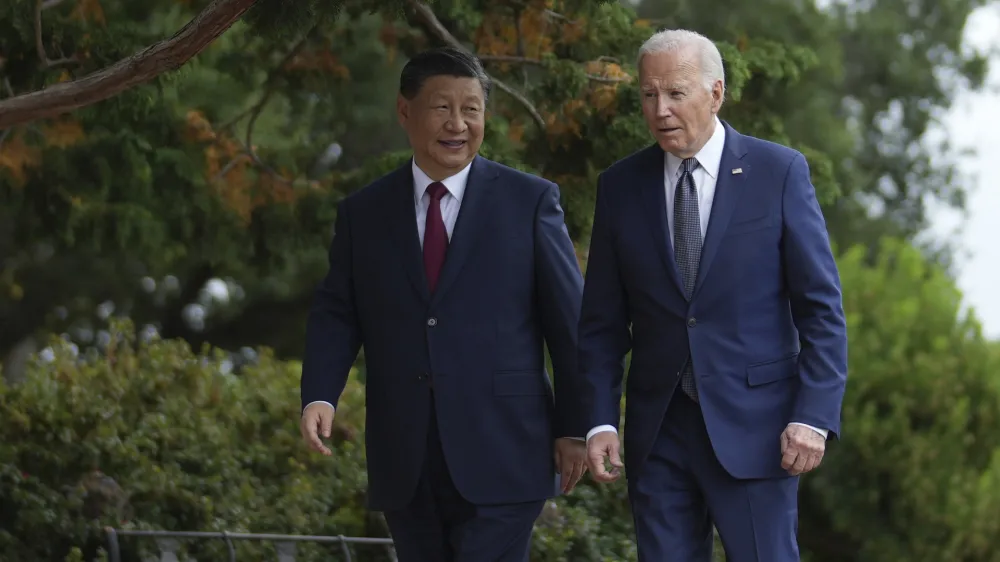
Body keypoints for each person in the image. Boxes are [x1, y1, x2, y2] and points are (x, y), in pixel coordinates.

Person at [298, 47, 588, 562]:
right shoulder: (364, 214)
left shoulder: (530, 202)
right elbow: (337, 313)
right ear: (405, 111)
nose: (458, 123)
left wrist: (574, 426)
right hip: (405, 458)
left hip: (506, 450)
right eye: (441, 108)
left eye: (471, 109)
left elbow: (569, 326)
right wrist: (320, 393)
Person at [577, 29, 848, 561]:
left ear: (716, 93)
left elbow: (821, 310)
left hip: (760, 431)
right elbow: (602, 324)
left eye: (676, 93)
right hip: (659, 436)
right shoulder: (620, 186)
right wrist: (601, 418)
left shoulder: (778, 172)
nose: (660, 109)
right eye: (649, 95)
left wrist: (813, 416)